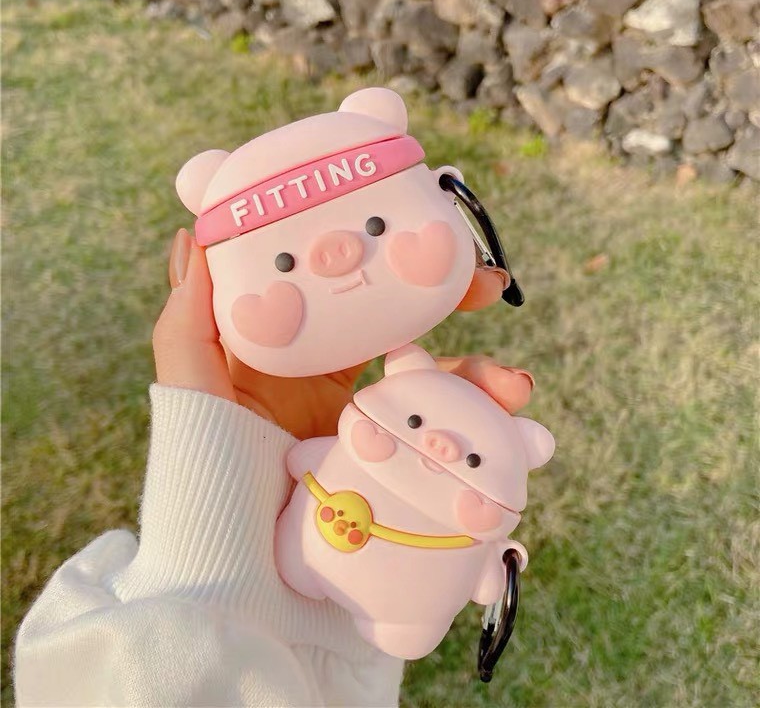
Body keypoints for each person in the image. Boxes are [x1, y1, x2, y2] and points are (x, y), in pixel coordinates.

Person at [15, 230, 534, 707]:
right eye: (415, 422)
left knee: (403, 626)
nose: (440, 447)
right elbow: (305, 460)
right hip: (311, 570)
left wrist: (205, 581)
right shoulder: (340, 458)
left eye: (471, 460)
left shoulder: (345, 465)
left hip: (332, 582)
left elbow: (303, 460)